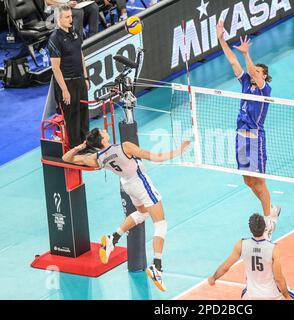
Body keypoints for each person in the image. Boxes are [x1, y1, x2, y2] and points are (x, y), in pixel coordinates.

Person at [62, 128, 191, 292]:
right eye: (102, 131)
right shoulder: (125, 147)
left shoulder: (97, 158)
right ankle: (157, 266)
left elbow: (66, 158)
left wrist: (80, 147)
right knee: (161, 224)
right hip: (141, 184)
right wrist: (179, 151)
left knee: (143, 213)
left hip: (128, 186)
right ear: (102, 139)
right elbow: (155, 157)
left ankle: (113, 238)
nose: (105, 129)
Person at [216, 20, 281, 240]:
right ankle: (271, 209)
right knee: (247, 181)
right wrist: (221, 39)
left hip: (255, 140)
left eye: (258, 72)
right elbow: (233, 61)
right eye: (254, 71)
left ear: (264, 76)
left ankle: (269, 220)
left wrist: (247, 55)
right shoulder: (245, 83)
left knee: (259, 182)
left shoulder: (265, 89)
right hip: (240, 138)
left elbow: (249, 67)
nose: (253, 73)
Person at [208, 213, 294, 300]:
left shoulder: (241, 245)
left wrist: (213, 278)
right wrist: (287, 297)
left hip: (251, 296)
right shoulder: (273, 248)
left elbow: (225, 267)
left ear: (250, 229)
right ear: (265, 227)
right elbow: (279, 278)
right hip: (272, 295)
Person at [48, 5, 90, 148]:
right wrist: (64, 90)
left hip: (80, 80)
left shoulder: (75, 32)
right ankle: (77, 151)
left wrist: (85, 77)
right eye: (67, 17)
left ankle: (87, 146)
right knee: (73, 121)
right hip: (67, 84)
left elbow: (80, 55)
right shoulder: (55, 38)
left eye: (71, 16)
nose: (71, 20)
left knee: (84, 116)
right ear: (59, 19)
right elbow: (55, 67)